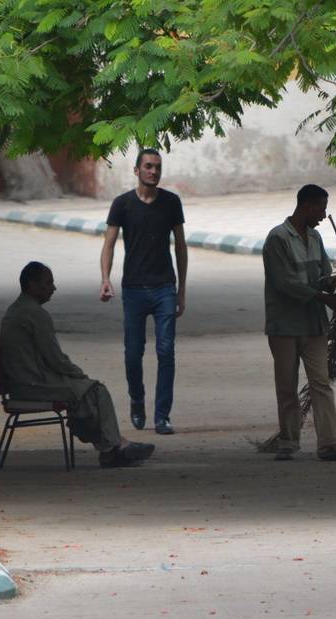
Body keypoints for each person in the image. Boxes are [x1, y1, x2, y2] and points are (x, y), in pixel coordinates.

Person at [0, 261, 154, 468]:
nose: (53, 288)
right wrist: (79, 375)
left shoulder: (17, 310)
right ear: (32, 285)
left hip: (23, 382)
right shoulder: (34, 314)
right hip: (32, 386)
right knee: (96, 391)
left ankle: (114, 445)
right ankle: (113, 448)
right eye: (48, 283)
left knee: (87, 394)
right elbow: (56, 359)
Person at [261, 184, 336, 462]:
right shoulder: (277, 238)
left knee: (321, 383)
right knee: (287, 386)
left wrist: (334, 282)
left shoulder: (315, 237)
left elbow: (322, 275)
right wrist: (324, 297)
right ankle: (288, 443)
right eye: (321, 209)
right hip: (285, 325)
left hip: (314, 325)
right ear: (307, 206)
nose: (323, 216)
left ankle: (330, 443)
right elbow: (284, 283)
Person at [100, 148, 188, 436]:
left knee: (166, 351)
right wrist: (105, 279)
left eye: (157, 167)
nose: (153, 171)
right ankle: (137, 400)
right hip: (134, 289)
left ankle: (162, 416)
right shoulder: (122, 204)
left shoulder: (171, 202)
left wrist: (181, 290)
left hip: (164, 287)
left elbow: (181, 246)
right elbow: (109, 244)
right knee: (133, 353)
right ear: (136, 171)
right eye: (148, 166)